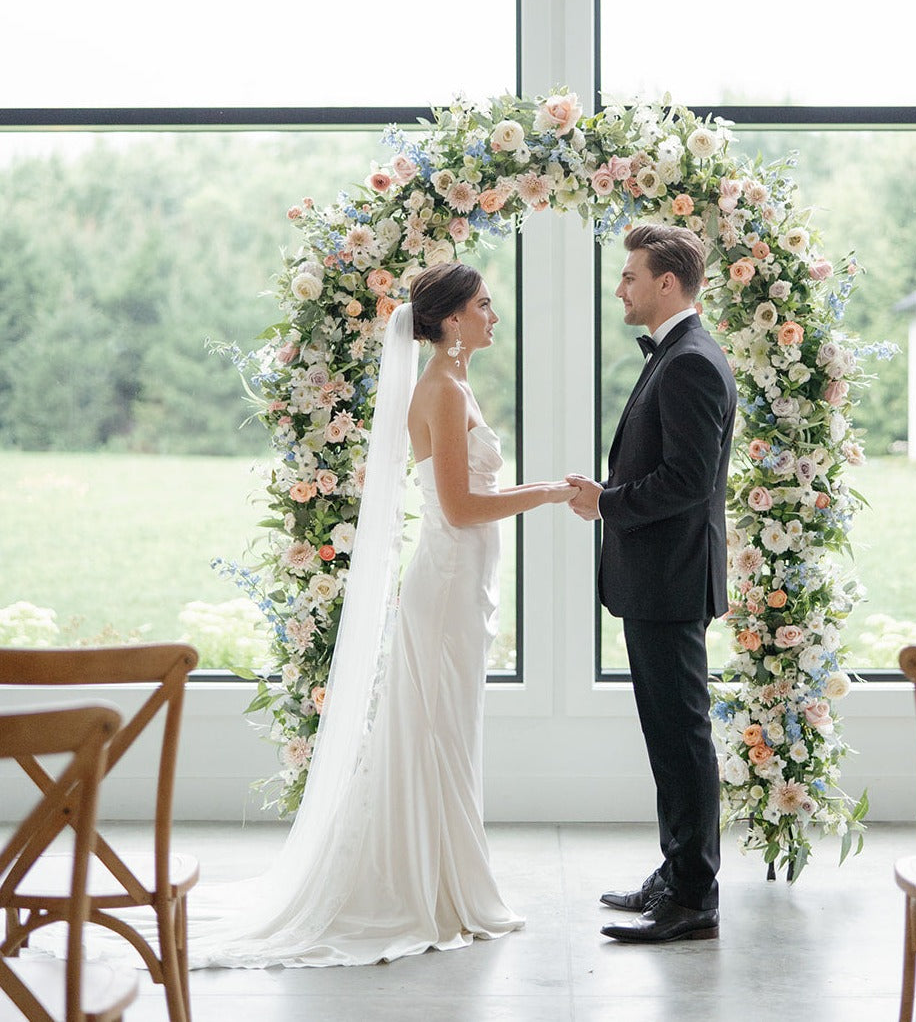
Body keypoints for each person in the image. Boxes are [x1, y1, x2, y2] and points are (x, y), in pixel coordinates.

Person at [188, 263, 577, 967]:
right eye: (484, 305)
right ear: (452, 320)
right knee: (439, 734)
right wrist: (546, 493)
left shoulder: (455, 384)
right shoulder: (440, 390)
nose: (494, 315)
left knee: (448, 733)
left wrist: (534, 489)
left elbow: (466, 493)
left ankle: (449, 881)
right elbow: (458, 508)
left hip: (464, 582)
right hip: (449, 581)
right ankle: (431, 890)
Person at [567, 223, 737, 943]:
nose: (621, 288)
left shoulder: (691, 361)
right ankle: (676, 872)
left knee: (682, 736)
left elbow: (687, 481)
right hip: (657, 576)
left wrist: (604, 501)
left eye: (629, 276)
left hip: (669, 578)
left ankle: (693, 895)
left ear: (667, 282)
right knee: (669, 735)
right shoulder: (677, 354)